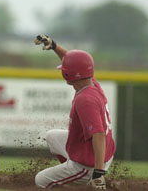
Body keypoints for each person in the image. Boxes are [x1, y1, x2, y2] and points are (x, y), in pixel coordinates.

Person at [33, 35, 115, 189]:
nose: (63, 69)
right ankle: (73, 174)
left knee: (40, 181)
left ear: (68, 74)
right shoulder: (91, 83)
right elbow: (75, 62)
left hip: (88, 165)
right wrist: (54, 46)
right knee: (52, 137)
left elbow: (98, 136)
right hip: (100, 153)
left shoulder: (85, 100)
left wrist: (98, 173)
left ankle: (79, 179)